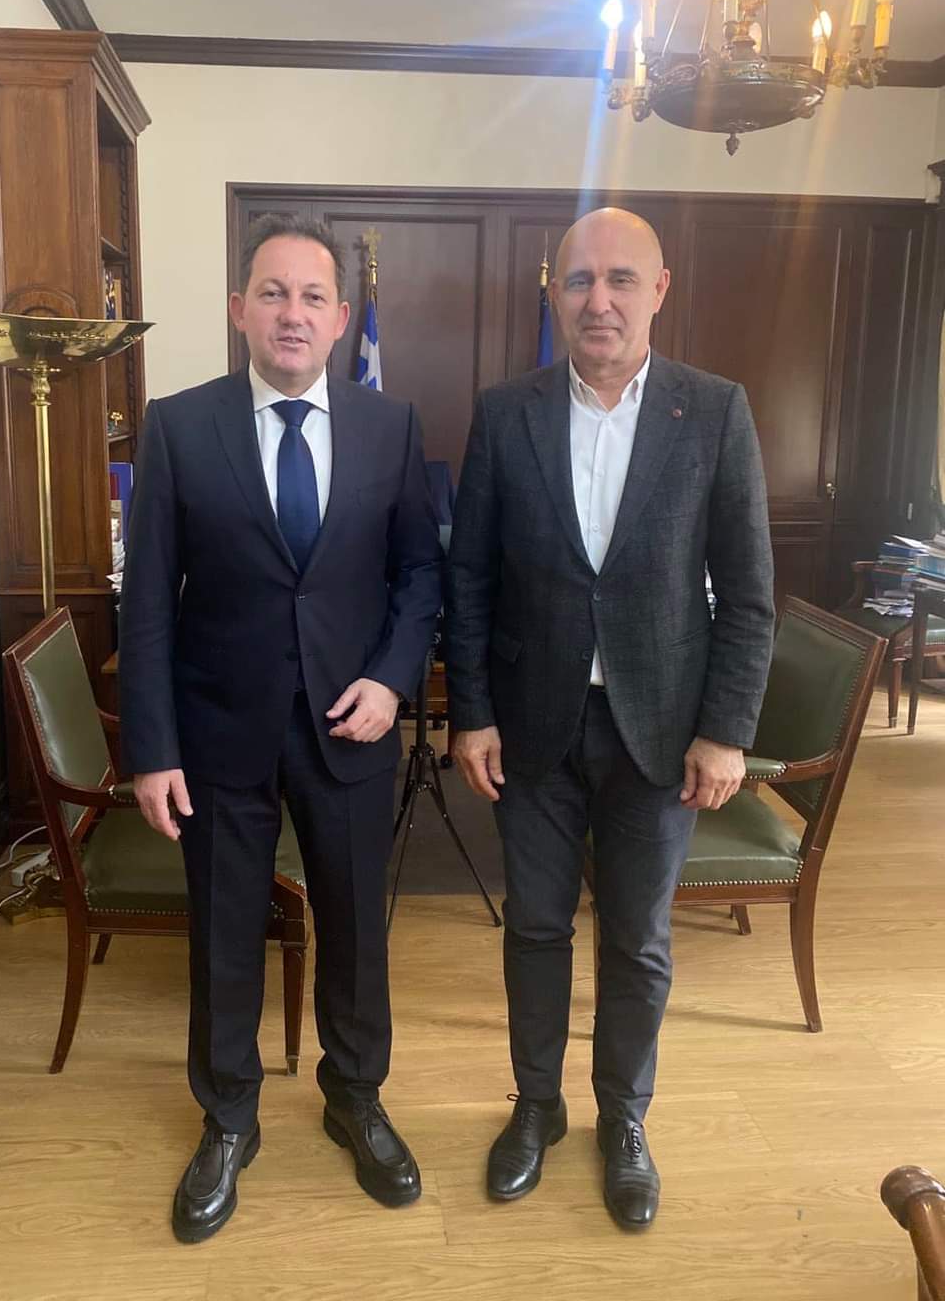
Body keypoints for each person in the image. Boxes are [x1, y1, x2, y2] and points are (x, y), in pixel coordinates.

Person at [446, 207, 774, 1231]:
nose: (600, 299)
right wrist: (471, 713)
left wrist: (727, 731)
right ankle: (536, 1107)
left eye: (622, 279)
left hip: (662, 736)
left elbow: (749, 593)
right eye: (581, 279)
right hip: (531, 728)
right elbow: (470, 580)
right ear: (555, 290)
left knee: (637, 941)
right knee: (536, 929)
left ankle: (624, 1119)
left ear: (659, 290)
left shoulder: (713, 411)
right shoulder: (506, 413)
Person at [120, 214, 442, 1243]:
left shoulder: (391, 426)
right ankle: (228, 1118)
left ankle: (356, 1098)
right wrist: (152, 749)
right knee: (224, 934)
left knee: (354, 930)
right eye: (272, 292)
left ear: (342, 317)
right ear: (238, 309)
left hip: (352, 729)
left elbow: (419, 575)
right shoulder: (179, 425)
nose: (292, 313)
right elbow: (148, 603)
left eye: (311, 296)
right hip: (219, 732)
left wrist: (393, 681)